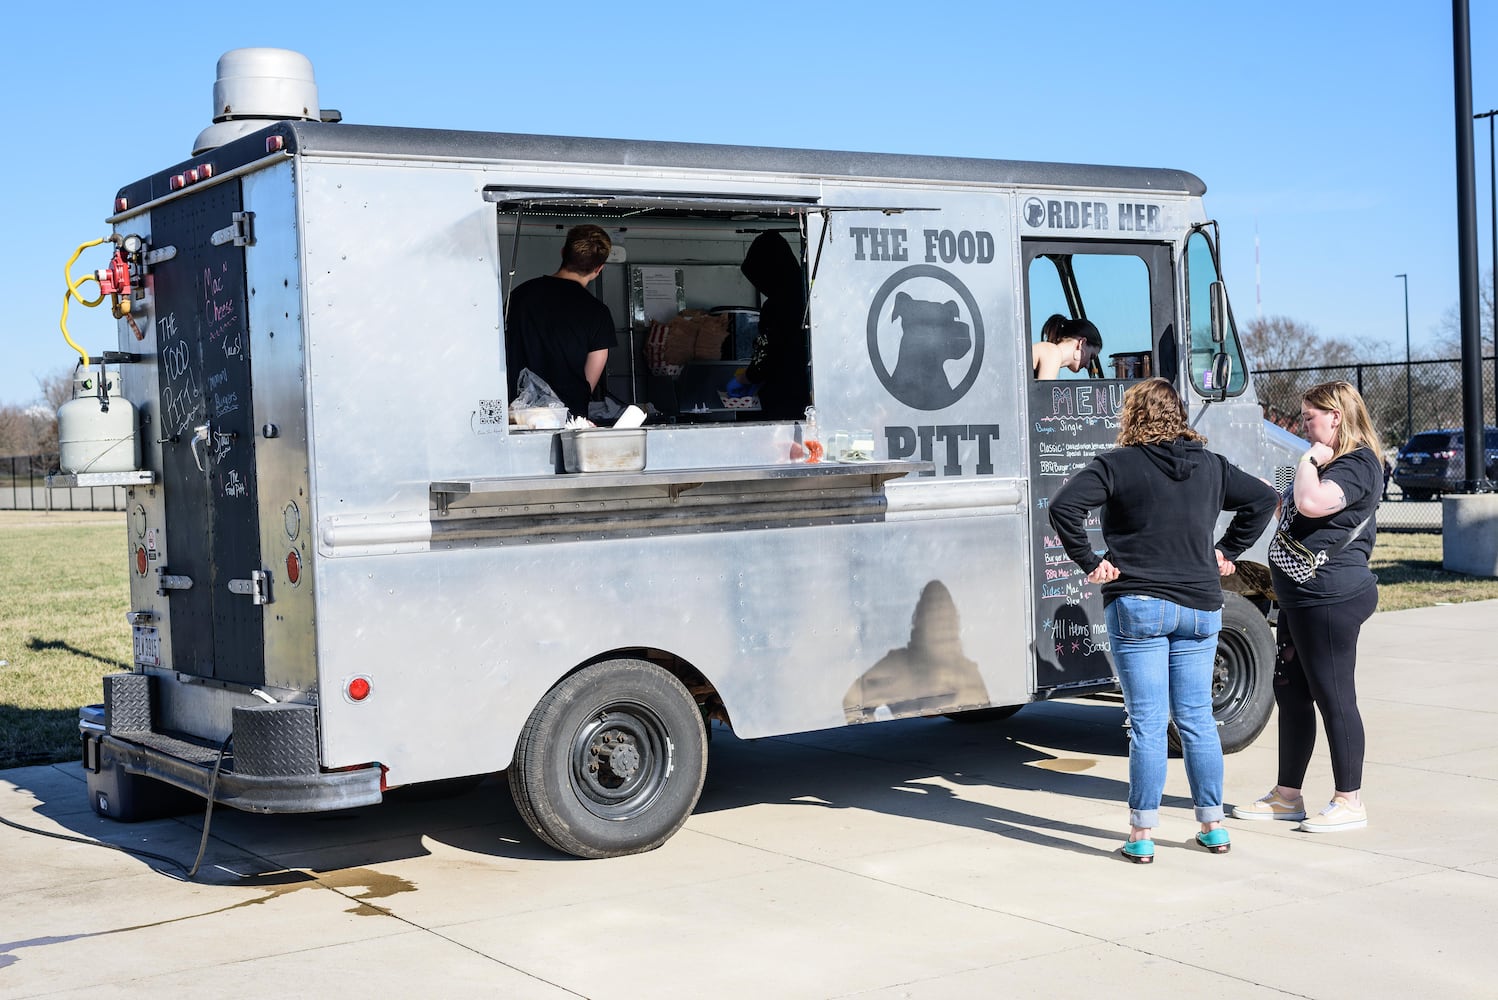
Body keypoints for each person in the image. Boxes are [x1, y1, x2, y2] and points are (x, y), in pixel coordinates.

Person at [1049, 378, 1276, 863]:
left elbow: (1063, 506)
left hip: (1139, 605)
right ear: (1177, 414)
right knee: (1197, 718)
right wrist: (1227, 552)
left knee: (1148, 724)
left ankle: (1142, 834)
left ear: (1132, 415)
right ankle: (1212, 825)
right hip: (1199, 606)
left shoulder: (1116, 464)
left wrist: (1091, 562)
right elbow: (1262, 499)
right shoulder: (1211, 466)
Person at [1234, 380, 1383, 833]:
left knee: (1334, 697)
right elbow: (1296, 511)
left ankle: (1349, 800)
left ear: (1335, 417)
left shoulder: (1358, 464)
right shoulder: (1329, 463)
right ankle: (1287, 796)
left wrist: (1306, 461)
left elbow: (1313, 503)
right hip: (1300, 599)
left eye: (1310, 416)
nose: (1303, 424)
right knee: (1292, 694)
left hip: (1331, 599)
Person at [504, 224, 616, 419]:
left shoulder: (520, 295)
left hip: (517, 417)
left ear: (563, 252)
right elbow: (588, 381)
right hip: (568, 420)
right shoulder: (598, 313)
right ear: (599, 269)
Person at [731, 231, 809, 420]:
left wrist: (746, 377)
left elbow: (767, 354)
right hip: (812, 393)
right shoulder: (809, 295)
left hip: (784, 398)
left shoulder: (776, 306)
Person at [1033, 316, 1103, 379]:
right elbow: (1043, 392)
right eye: (1091, 356)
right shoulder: (1053, 353)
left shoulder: (1049, 352)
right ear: (1082, 343)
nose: (1087, 366)